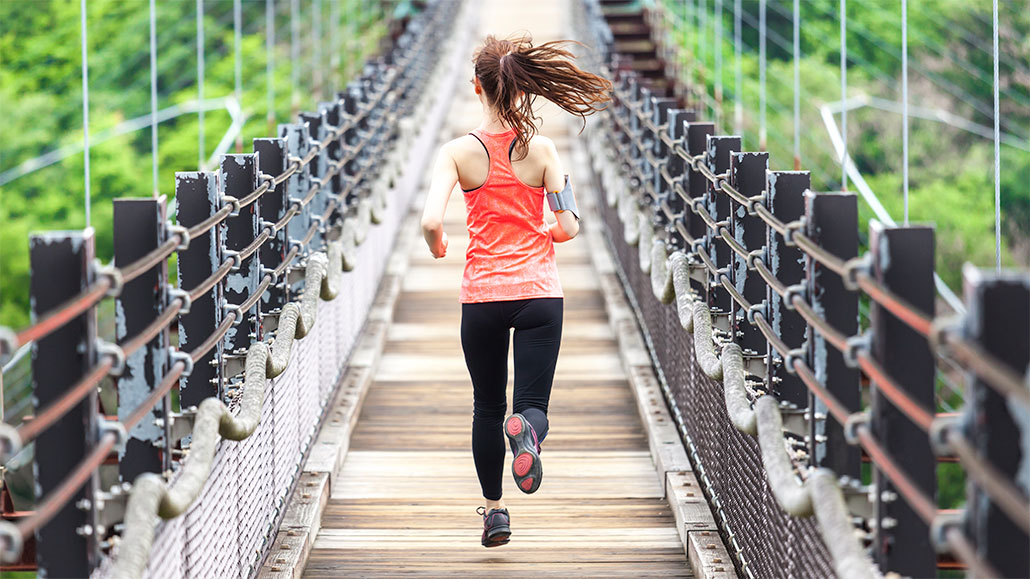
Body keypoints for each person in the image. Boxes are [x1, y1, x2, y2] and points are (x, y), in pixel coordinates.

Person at [419, 34, 611, 548]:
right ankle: (525, 428)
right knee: (530, 403)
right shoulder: (543, 150)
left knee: (485, 405)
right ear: (522, 88)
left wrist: (437, 243)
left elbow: (430, 218)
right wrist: (540, 234)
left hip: (482, 295)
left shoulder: (457, 152)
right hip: (539, 295)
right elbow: (569, 225)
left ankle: (496, 513)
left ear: (476, 87)